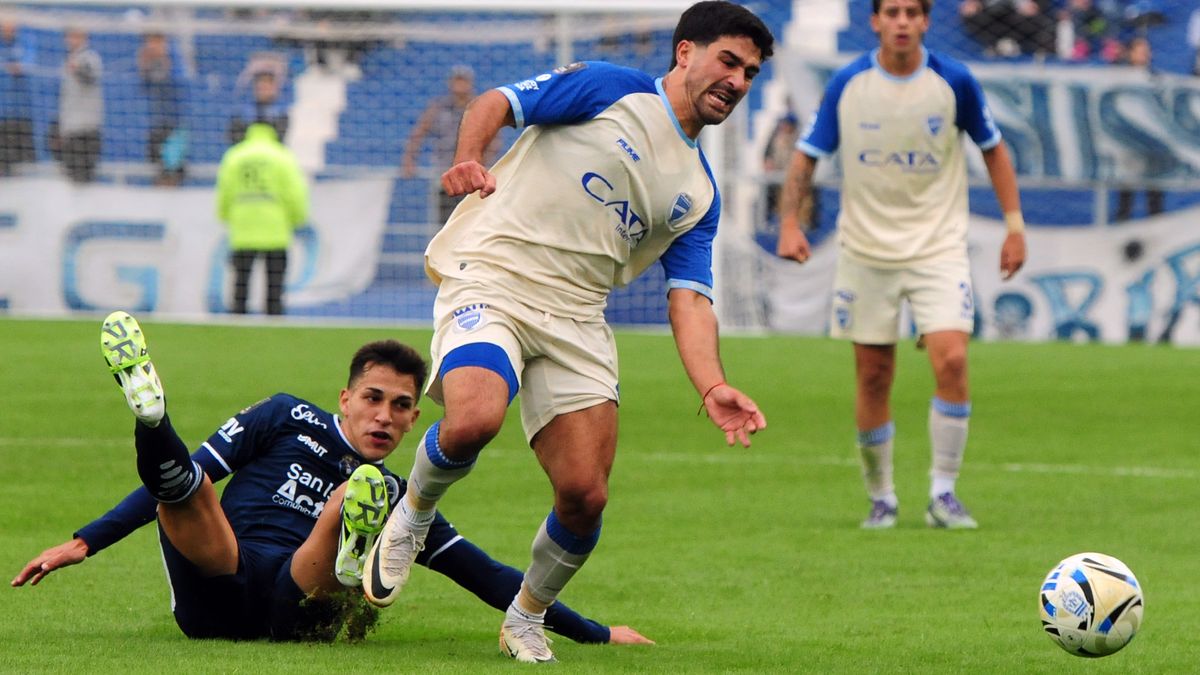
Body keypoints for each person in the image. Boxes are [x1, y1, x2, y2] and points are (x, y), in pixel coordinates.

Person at [363, 1, 771, 663]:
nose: (738, 79)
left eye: (750, 72)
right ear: (686, 52)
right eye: (729, 60)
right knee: (473, 419)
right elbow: (495, 101)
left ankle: (526, 614)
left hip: (579, 317)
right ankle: (411, 514)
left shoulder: (699, 193)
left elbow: (690, 300)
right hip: (495, 273)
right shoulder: (614, 89)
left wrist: (714, 382)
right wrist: (470, 157)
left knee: (585, 495)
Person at [12, 312, 653, 646]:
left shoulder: (407, 492)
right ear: (344, 398)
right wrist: (85, 541)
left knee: (363, 498)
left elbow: (484, 573)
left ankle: (351, 548)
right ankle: (151, 417)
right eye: (374, 398)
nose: (386, 416)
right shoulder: (285, 416)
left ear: (412, 419)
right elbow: (182, 486)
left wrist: (594, 631)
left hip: (299, 597)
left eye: (403, 407)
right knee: (189, 487)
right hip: (221, 576)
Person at [776, 0, 1027, 530]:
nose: (902, 22)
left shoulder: (953, 80)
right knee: (873, 375)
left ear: (926, 21)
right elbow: (805, 154)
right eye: (892, 12)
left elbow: (994, 149)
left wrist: (1014, 225)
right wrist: (790, 225)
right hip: (866, 252)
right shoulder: (848, 83)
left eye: (912, 12)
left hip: (939, 248)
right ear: (875, 21)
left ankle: (943, 493)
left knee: (952, 361)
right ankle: (882, 496)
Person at [216, 121, 308, 315]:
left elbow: (225, 190)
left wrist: (225, 215)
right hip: (275, 228)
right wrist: (298, 217)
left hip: (243, 228)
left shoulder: (235, 155)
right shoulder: (282, 156)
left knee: (241, 284)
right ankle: (274, 324)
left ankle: (236, 325)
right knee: (274, 286)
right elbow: (295, 192)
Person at [400, 65, 498, 226]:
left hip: (472, 174)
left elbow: (494, 137)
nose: (460, 85)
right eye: (457, 81)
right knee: (445, 222)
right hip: (445, 172)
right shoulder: (438, 108)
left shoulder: (479, 107)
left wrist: (484, 162)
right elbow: (418, 133)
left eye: (463, 81)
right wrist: (409, 160)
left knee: (471, 220)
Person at [1114, 37, 1164, 222]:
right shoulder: (1120, 77)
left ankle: (1157, 228)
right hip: (1129, 143)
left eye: (1147, 50)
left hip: (1151, 145)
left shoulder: (1156, 79)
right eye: (1141, 50)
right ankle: (1122, 226)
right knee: (1126, 193)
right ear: (1131, 53)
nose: (1146, 54)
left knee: (1155, 194)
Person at [138, 32, 188, 185]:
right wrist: (143, 68)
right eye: (149, 41)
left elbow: (179, 85)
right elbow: (143, 88)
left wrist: (166, 64)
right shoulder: (150, 62)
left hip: (175, 127)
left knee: (172, 171)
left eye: (156, 41)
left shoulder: (175, 60)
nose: (152, 45)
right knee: (157, 172)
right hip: (156, 126)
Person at [58, 28, 104, 183]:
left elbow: (89, 77)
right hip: (70, 129)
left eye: (77, 35)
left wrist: (77, 69)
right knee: (70, 179)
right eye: (70, 35)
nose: (73, 40)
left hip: (87, 129)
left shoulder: (90, 57)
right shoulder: (67, 60)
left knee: (84, 179)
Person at [0, 20, 35, 177]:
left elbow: (26, 66)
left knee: (23, 163)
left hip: (21, 116)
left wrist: (17, 67)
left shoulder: (25, 42)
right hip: (2, 116)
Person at [228, 70, 289, 145]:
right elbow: (234, 137)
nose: (264, 87)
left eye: (268, 83)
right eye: (261, 83)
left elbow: (281, 138)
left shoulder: (281, 114)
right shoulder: (241, 113)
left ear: (275, 88)